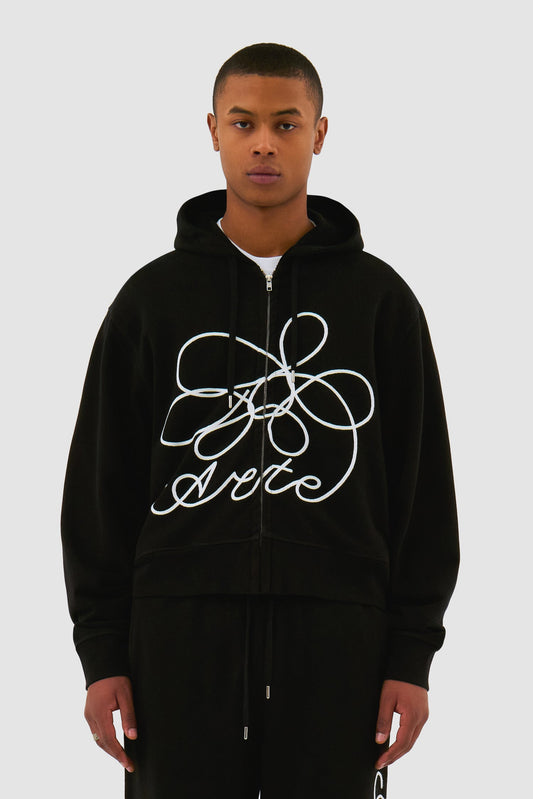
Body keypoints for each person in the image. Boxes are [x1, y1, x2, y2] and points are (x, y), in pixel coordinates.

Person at [61, 42, 460, 799]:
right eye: (243, 123)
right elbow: (99, 491)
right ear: (213, 130)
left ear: (320, 132)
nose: (264, 143)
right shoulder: (151, 302)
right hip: (174, 650)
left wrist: (411, 656)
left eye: (286, 123)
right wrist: (102, 653)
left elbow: (422, 494)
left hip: (339, 649)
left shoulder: (380, 303)